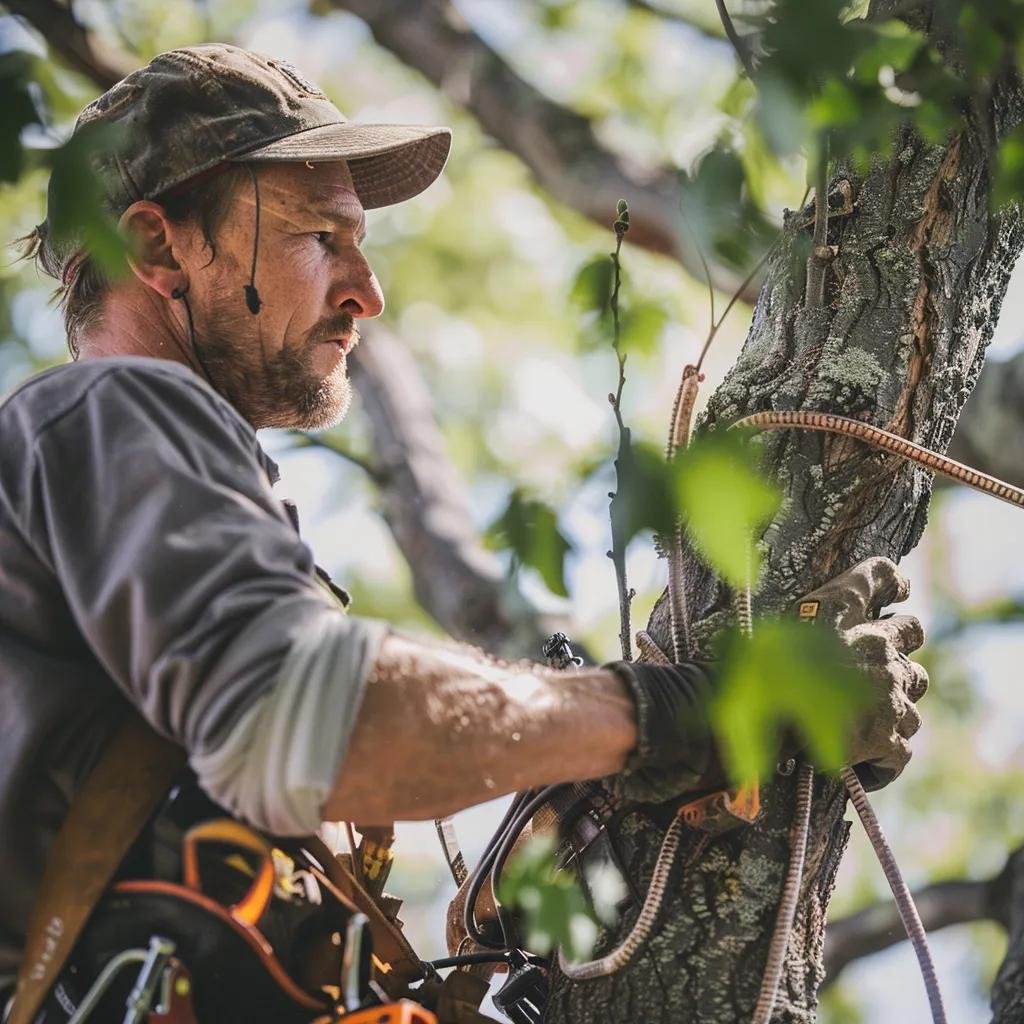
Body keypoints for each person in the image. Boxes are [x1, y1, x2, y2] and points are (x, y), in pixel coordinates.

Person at [0, 43, 928, 1014]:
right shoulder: (111, 409)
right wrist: (693, 710)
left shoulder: (100, 519)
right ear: (158, 249)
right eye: (320, 237)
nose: (367, 289)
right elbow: (310, 716)